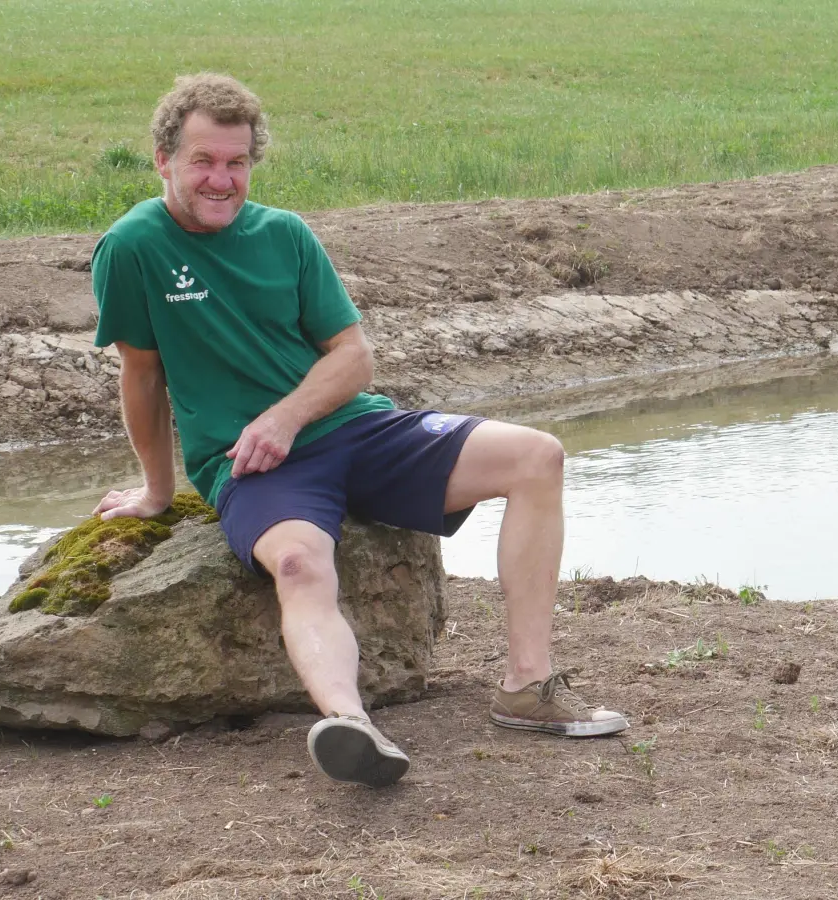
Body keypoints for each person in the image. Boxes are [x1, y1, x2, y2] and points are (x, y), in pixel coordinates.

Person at [89, 73, 627, 788]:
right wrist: (160, 490)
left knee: (537, 456)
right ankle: (351, 724)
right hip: (251, 465)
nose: (222, 179)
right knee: (299, 565)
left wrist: (286, 414)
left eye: (237, 162)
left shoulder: (284, 235)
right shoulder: (132, 247)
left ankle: (528, 685)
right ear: (163, 161)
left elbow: (354, 359)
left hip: (354, 430)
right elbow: (142, 375)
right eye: (204, 162)